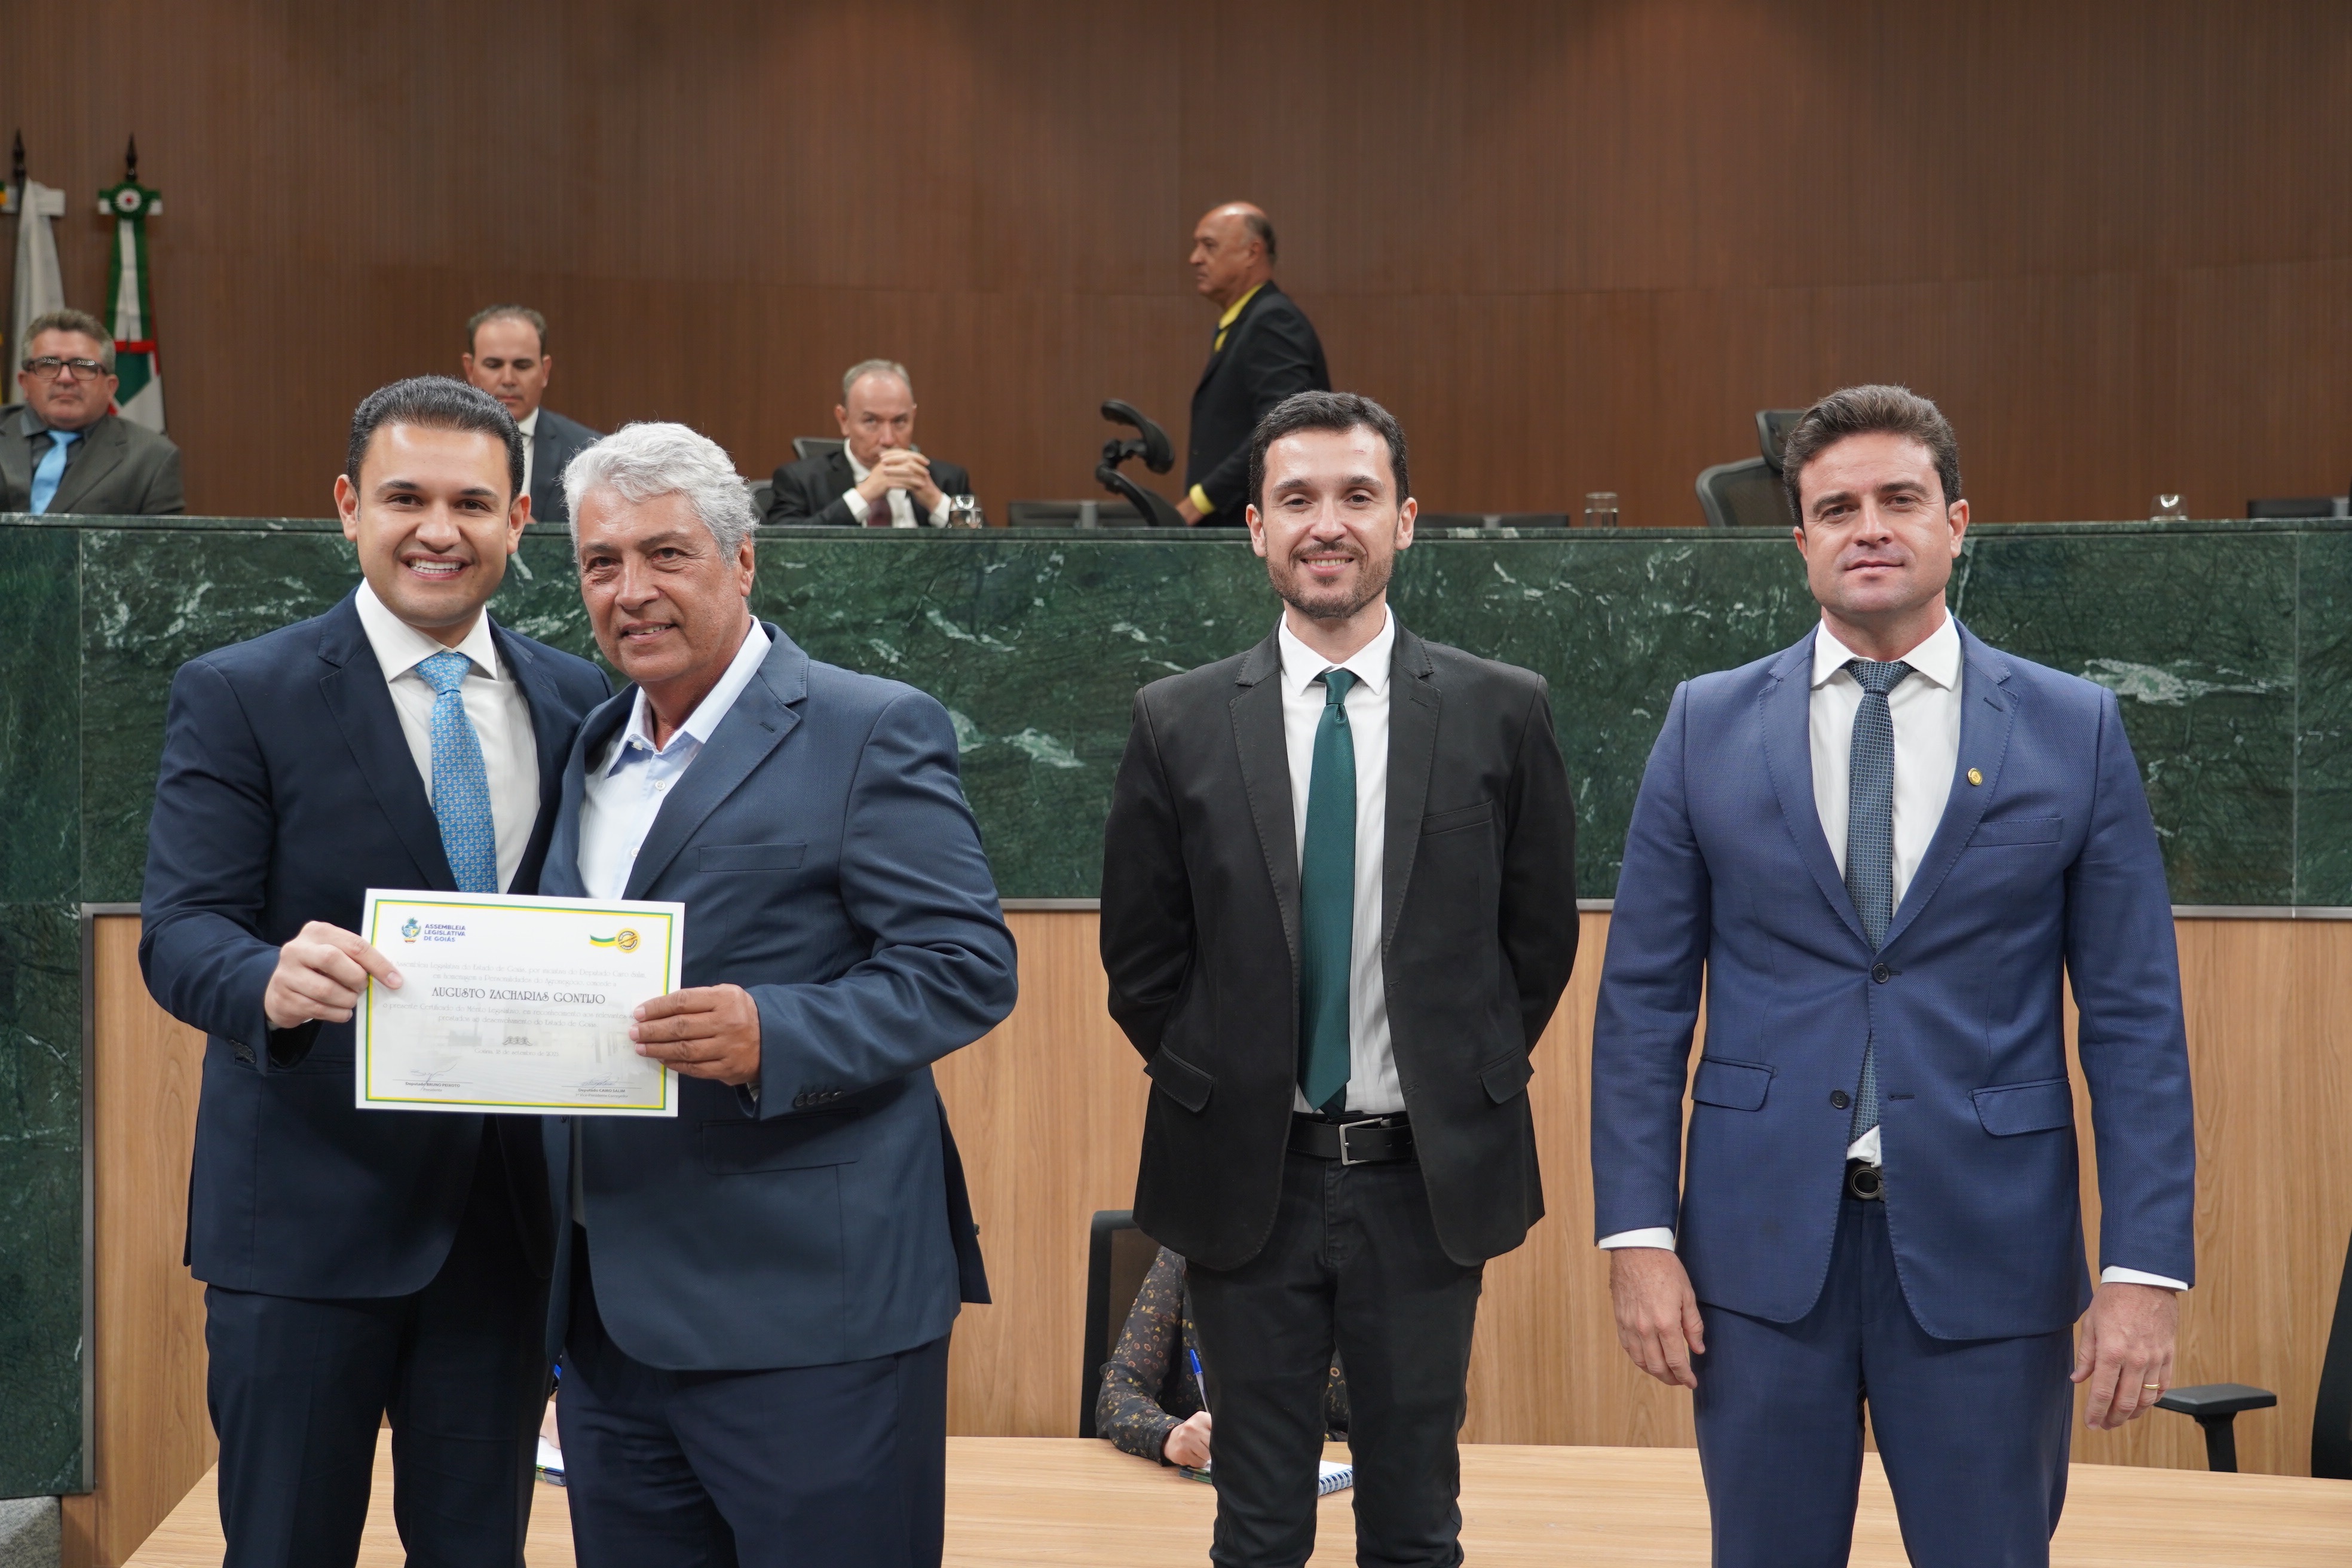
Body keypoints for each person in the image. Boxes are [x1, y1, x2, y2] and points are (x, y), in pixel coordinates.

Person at [1591, 385, 2195, 1568]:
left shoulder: (2073, 727)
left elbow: (2135, 1021)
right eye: (1837, 508)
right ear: (1800, 539)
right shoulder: (1705, 723)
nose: (1869, 527)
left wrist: (2142, 1268)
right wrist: (1638, 1236)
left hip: (1992, 1255)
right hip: (1758, 1259)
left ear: (1956, 522)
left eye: (1899, 499)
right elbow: (1642, 1009)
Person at [1100, 390, 1579, 1566]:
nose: (1328, 523)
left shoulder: (1502, 710)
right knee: (1256, 1525)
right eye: (1298, 498)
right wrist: (1231, 1080)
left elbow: (1535, 945)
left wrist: (1454, 1076)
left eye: (1358, 496)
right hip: (1244, 1179)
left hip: (1425, 1181)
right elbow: (1142, 963)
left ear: (1405, 519)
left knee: (1414, 1522)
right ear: (1255, 526)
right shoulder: (1175, 720)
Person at [137, 376, 610, 1567]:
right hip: (303, 1221)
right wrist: (265, 978)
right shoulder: (242, 691)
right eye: (405, 497)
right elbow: (181, 931)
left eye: (472, 503)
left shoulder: (582, 699)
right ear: (349, 506)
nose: (437, 530)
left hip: (505, 1228)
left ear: (519, 522)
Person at [538, 421, 1018, 1567]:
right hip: (608, 1325)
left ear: (742, 559)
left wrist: (774, 1030)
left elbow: (966, 964)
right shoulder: (584, 745)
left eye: (666, 553)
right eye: (602, 562)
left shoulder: (868, 726)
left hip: (814, 1319)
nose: (631, 590)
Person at [1096, 1245, 1349, 1469]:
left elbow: (1368, 1425)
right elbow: (1119, 1391)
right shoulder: (1187, 1252)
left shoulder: (1353, 1258)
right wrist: (1169, 1435)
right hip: (1196, 1478)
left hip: (1317, 1479)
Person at [1174, 204, 1330, 526]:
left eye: (1209, 246)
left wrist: (1200, 502)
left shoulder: (1273, 321)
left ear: (1251, 253)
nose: (1195, 258)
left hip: (1255, 530)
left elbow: (1283, 427)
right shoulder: (1244, 322)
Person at [0, 307, 183, 514]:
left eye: (83, 366)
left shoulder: (152, 458)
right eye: (48, 364)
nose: (65, 378)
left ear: (110, 387)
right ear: (24, 383)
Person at [764, 359, 972, 528]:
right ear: (844, 420)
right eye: (871, 421)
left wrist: (937, 502)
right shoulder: (800, 481)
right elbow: (782, 550)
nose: (888, 439)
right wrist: (864, 495)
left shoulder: (948, 480)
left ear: (913, 416)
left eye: (900, 421)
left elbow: (985, 555)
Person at [461, 304, 601, 526]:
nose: (508, 379)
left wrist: (540, 541)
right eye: (494, 365)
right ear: (470, 369)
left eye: (522, 366)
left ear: (545, 371)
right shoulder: (438, 446)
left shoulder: (589, 453)